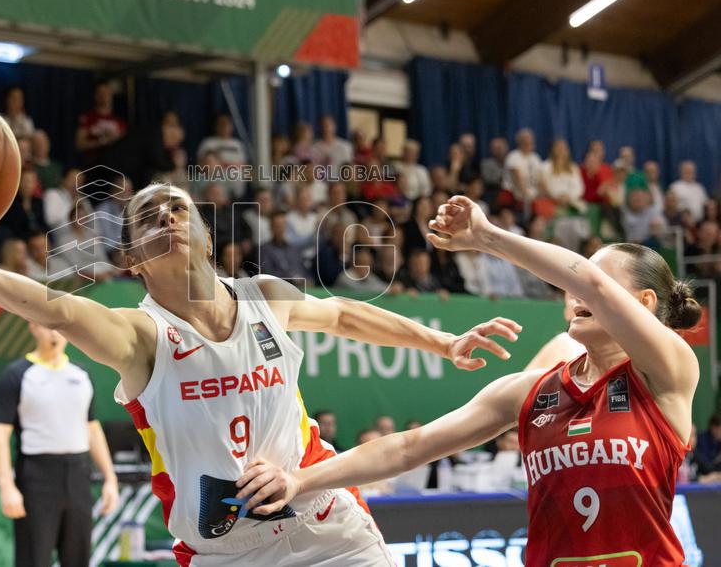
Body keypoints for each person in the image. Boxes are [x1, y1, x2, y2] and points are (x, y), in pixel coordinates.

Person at [0, 182, 518, 566]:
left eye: (177, 208)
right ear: (134, 260)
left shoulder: (264, 297)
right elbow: (51, 305)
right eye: (148, 217)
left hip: (327, 526)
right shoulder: (139, 338)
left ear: (205, 236)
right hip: (225, 552)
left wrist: (444, 340)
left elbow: (349, 315)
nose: (166, 216)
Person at [237, 195, 701, 566]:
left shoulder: (666, 372)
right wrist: (299, 480)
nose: (577, 288)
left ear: (642, 304)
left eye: (593, 278)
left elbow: (593, 286)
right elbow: (408, 448)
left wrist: (488, 237)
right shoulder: (529, 392)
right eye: (573, 281)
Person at [0, 323, 120, 567]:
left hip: (78, 473)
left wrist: (110, 478)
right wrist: (6, 485)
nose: (54, 334)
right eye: (48, 327)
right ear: (33, 327)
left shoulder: (80, 374)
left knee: (78, 555)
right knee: (34, 557)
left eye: (59, 328)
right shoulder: (18, 374)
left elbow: (91, 427)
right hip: (37, 475)